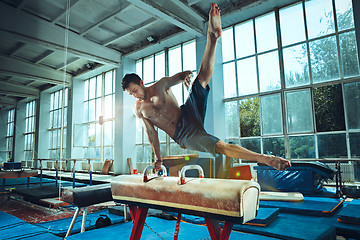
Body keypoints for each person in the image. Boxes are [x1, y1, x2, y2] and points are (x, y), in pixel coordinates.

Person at [122, 3, 291, 172]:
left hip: (187, 113)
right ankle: (266, 158)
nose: (134, 95)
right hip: (183, 136)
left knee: (200, 81)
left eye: (134, 90)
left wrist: (186, 76)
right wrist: (158, 159)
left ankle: (212, 37)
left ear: (141, 83)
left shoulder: (161, 85)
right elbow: (151, 134)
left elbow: (181, 76)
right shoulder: (138, 109)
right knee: (221, 146)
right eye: (131, 94)